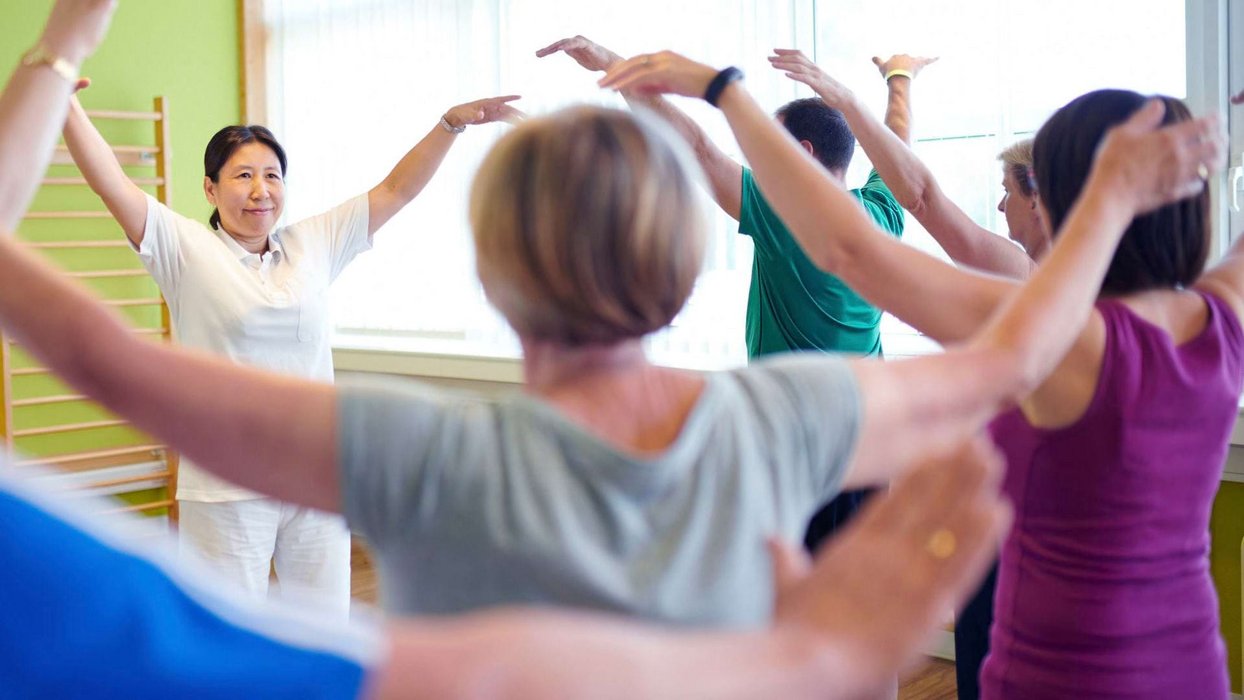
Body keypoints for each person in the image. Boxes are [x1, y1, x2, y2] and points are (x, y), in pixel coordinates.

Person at [2, 0, 1214, 630]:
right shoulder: (780, 416)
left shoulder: (418, 447)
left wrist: (60, 51)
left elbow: (101, 352)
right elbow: (1011, 349)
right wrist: (1110, 205)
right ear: (690, 267)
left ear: (491, 277)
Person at [601, 50, 1232, 698]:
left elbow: (849, 244)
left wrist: (725, 90)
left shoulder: (1048, 333)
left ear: (1066, 200)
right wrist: (882, 87)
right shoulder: (1223, 322)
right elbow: (908, 191)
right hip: (1191, 668)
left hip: (1060, 674)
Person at [58, 37, 523, 610]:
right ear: (210, 188)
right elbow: (111, 182)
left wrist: (450, 125)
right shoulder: (184, 248)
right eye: (242, 176)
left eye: (272, 175)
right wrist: (65, 103)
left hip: (314, 474)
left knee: (323, 624)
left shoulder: (314, 243)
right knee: (231, 629)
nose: (260, 191)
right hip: (226, 485)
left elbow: (396, 190)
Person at [536, 37, 933, 556]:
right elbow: (897, 141)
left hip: (799, 442)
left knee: (791, 584)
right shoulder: (884, 212)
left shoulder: (786, 214)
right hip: (870, 435)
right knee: (853, 578)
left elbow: (698, 149)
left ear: (803, 153)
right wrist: (900, 77)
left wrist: (617, 68)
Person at [764, 51, 1047, 698]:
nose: (1001, 206)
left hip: (1013, 516)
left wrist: (837, 97)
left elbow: (919, 195)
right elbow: (904, 186)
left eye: (1009, 194)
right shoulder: (1109, 289)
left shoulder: (1021, 276)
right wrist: (896, 82)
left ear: (1038, 199)